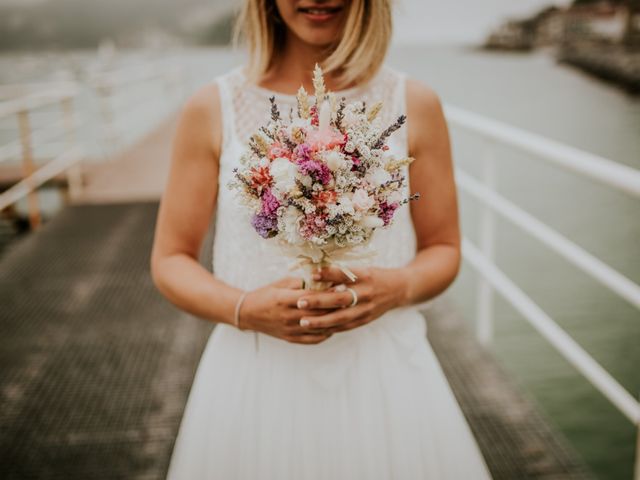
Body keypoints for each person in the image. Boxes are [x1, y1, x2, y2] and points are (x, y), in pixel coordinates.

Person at [150, 0, 493, 478]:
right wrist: (244, 308)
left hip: (385, 373)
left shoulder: (413, 104)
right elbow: (169, 259)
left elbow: (445, 248)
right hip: (255, 374)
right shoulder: (213, 107)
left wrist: (400, 287)